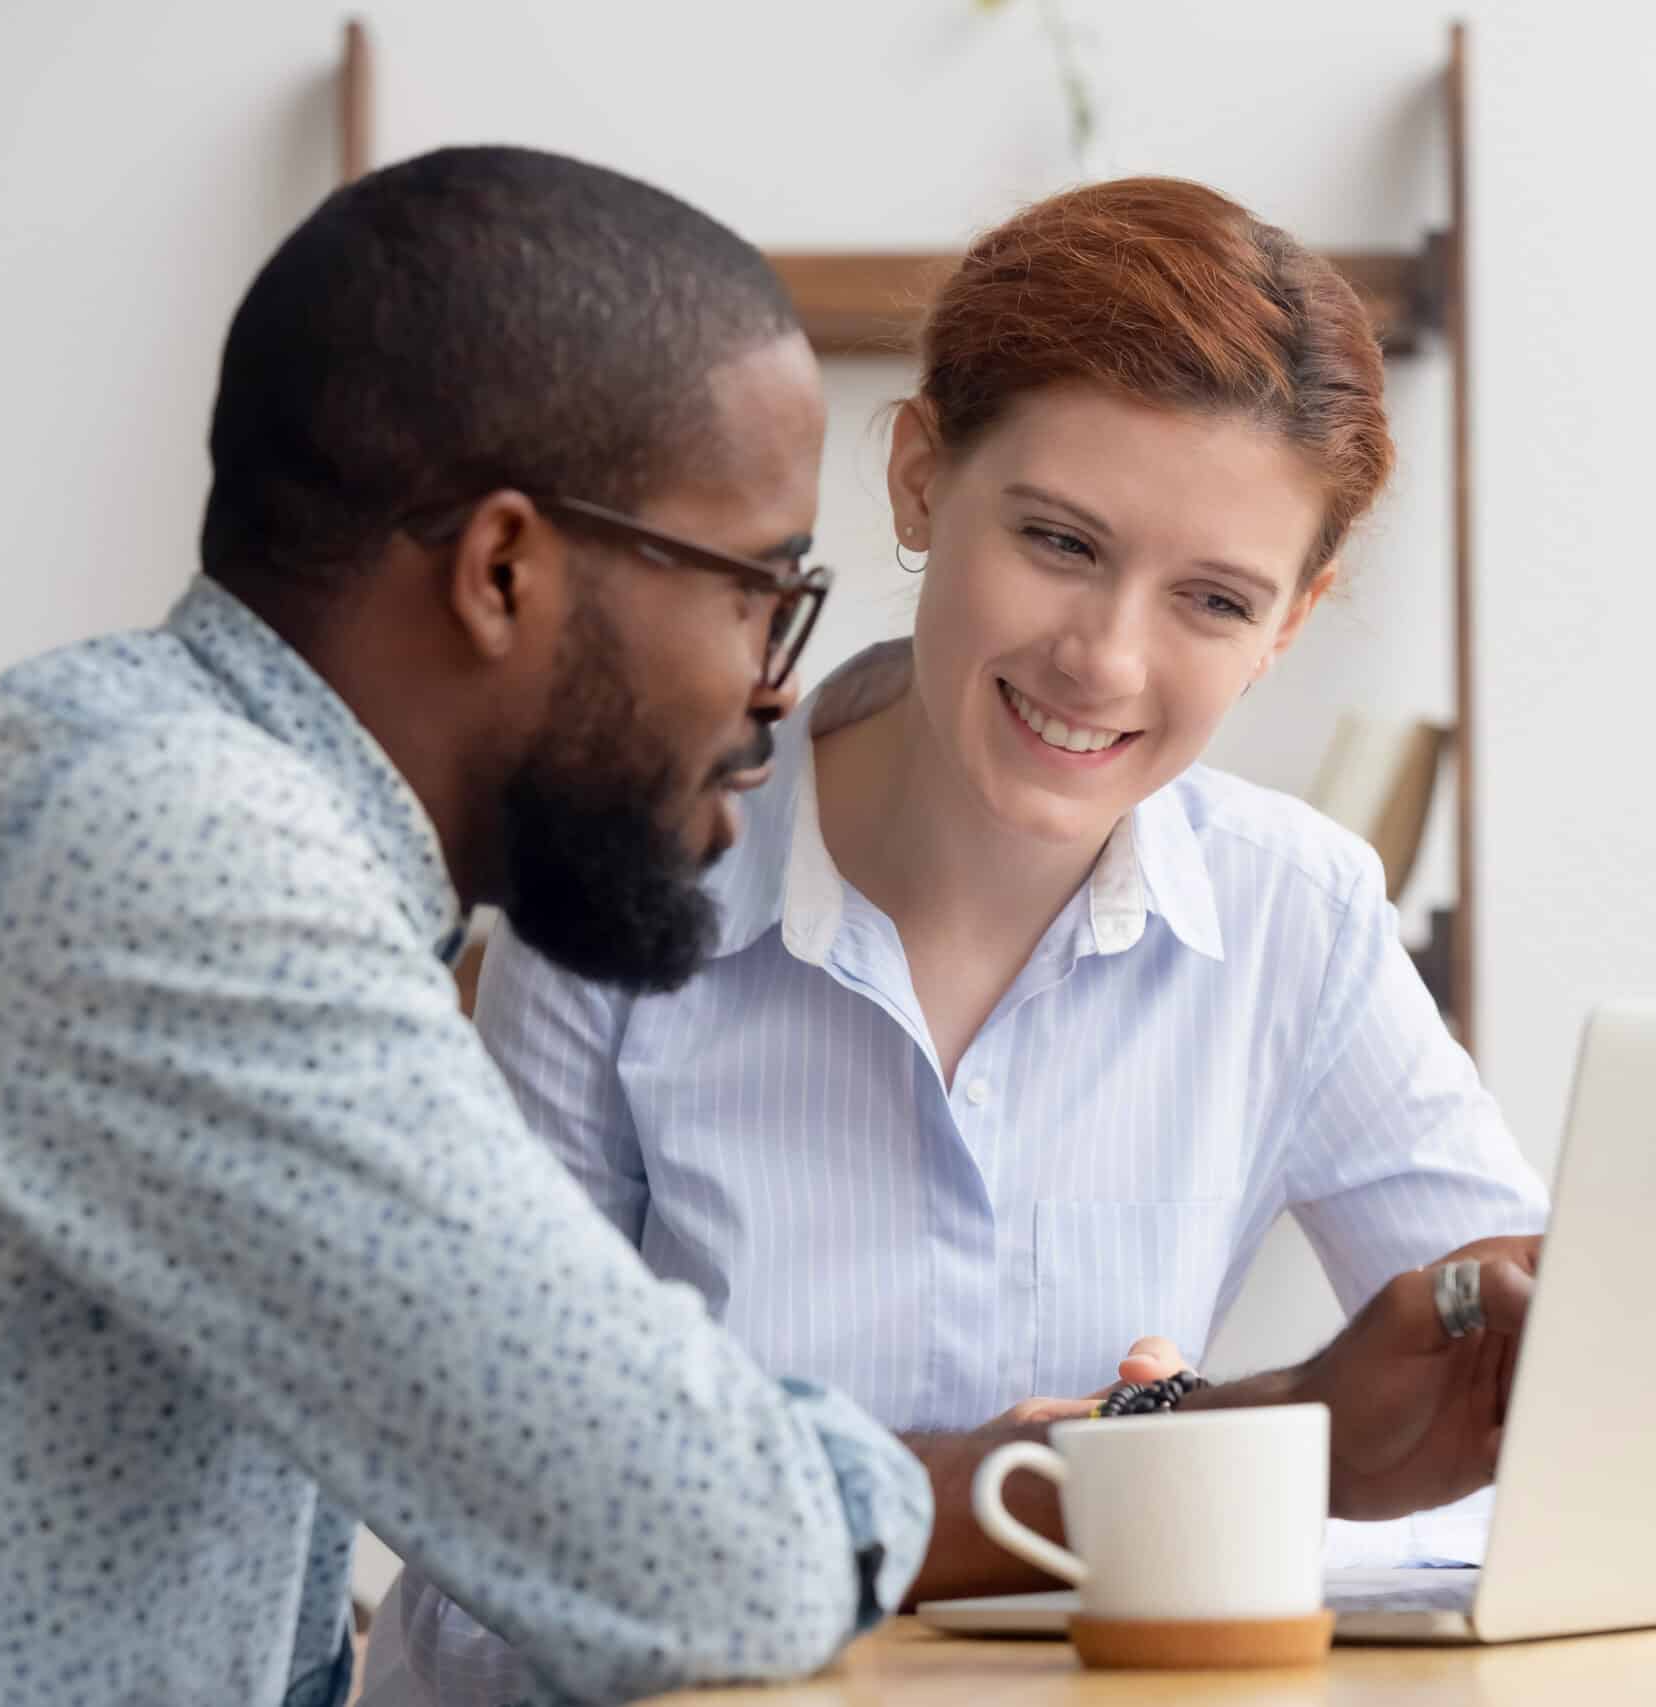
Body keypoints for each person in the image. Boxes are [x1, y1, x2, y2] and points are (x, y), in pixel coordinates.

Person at [0, 145, 932, 1706]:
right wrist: (982, 1480)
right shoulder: (172, 844)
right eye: (758, 589)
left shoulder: (151, 795)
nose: (776, 686)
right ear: (502, 570)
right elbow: (716, 1553)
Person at [373, 177, 1549, 1706]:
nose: (1105, 657)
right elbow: (502, 1504)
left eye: (1212, 598)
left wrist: (1494, 1379)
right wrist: (1145, 1470)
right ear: (923, 480)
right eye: (1059, 540)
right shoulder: (617, 893)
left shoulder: (1295, 913)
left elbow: (1532, 1385)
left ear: (1291, 623)